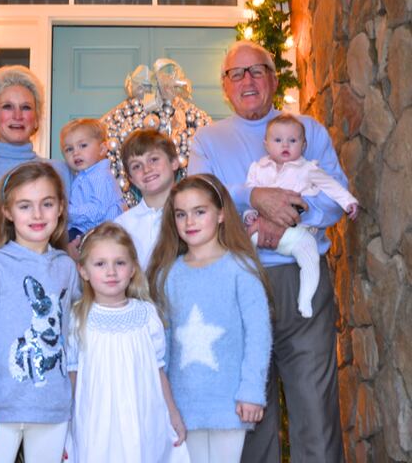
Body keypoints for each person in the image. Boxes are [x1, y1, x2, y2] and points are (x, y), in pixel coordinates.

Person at [188, 40, 349, 462]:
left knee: (315, 409)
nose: (248, 80)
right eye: (236, 74)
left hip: (301, 280)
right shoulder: (207, 139)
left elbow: (335, 196)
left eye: (257, 70)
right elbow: (199, 199)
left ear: (274, 79)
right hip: (237, 282)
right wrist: (254, 195)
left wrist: (289, 216)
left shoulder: (307, 129)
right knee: (250, 416)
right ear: (225, 87)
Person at [0, 162, 80, 463]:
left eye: (46, 204)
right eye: (25, 206)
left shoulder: (66, 267)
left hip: (52, 409)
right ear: (7, 212)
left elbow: (77, 333)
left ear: (61, 208)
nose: (37, 215)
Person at [148, 174, 272, 463]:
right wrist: (162, 402)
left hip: (229, 403)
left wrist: (251, 390)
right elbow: (159, 345)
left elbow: (258, 334)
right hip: (181, 404)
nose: (189, 222)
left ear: (221, 215)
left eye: (199, 212)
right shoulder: (167, 274)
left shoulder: (241, 269)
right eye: (181, 214)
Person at [66, 222, 190, 463]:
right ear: (83, 271)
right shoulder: (78, 318)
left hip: (141, 416)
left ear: (133, 268)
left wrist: (173, 413)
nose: (111, 272)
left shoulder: (146, 315)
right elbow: (73, 375)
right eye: (100, 264)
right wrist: (66, 427)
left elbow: (158, 370)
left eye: (120, 263)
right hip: (96, 422)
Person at [244, 113, 359, 317]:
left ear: (303, 145)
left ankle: (304, 299)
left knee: (310, 258)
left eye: (293, 140)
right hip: (261, 232)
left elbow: (331, 185)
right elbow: (249, 194)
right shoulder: (258, 169)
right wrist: (249, 215)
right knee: (244, 250)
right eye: (278, 140)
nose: (285, 145)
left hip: (297, 234)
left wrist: (348, 201)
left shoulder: (307, 168)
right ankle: (249, 292)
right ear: (266, 144)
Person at [0, 65, 71, 240]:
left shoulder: (60, 170)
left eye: (26, 107)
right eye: (7, 107)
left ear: (36, 120)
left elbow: (70, 236)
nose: (17, 116)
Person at [114, 129, 180, 270]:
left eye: (154, 159)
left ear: (174, 162)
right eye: (136, 166)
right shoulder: (122, 225)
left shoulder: (190, 217)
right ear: (130, 178)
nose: (147, 169)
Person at [60, 118, 126, 242]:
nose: (75, 153)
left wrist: (66, 212)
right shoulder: (83, 176)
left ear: (102, 149)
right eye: (69, 149)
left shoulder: (100, 176)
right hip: (88, 231)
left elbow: (97, 211)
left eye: (83, 145)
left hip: (104, 236)